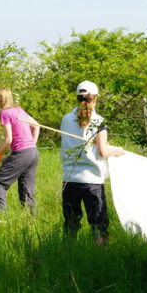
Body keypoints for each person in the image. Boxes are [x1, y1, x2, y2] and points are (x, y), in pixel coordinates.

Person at [60, 80, 125, 243]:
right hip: (92, 182)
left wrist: (96, 143)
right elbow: (103, 152)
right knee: (99, 227)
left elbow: (77, 140)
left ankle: (68, 255)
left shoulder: (66, 119)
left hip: (69, 180)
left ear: (77, 98)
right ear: (95, 98)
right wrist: (117, 151)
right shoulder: (99, 121)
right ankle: (101, 256)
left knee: (71, 225)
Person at [0, 87, 40, 211]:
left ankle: (2, 218)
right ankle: (31, 220)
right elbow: (36, 126)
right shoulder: (19, 110)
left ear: (3, 99)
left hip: (22, 153)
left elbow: (8, 139)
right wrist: (31, 144)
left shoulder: (4, 113)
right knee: (26, 188)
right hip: (33, 153)